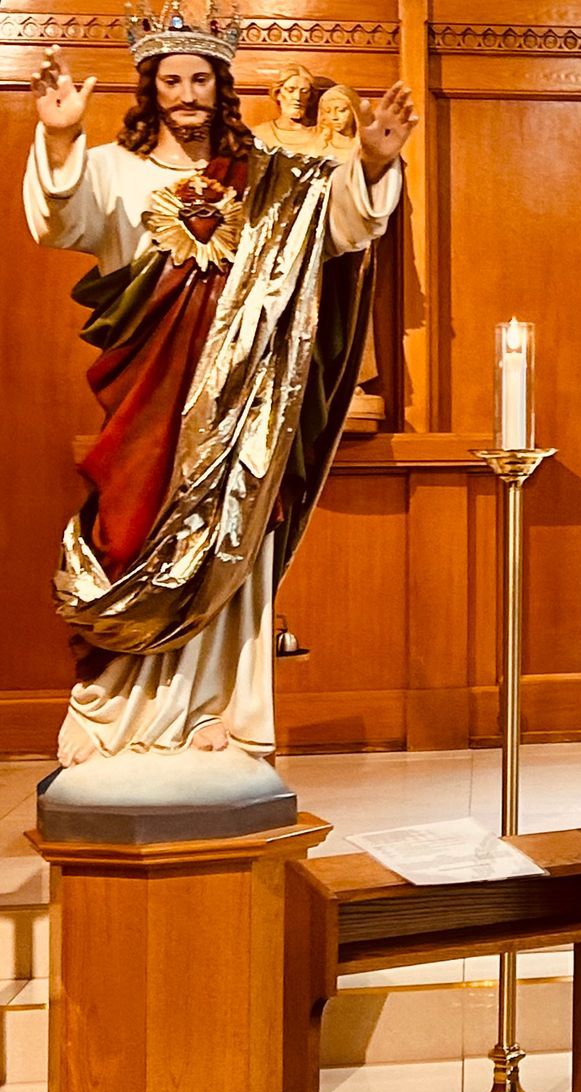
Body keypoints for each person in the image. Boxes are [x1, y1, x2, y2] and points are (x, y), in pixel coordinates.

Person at [24, 27, 415, 765]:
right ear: (150, 89)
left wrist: (370, 163)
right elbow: (61, 222)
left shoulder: (270, 175)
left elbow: (339, 228)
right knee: (128, 530)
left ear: (221, 87)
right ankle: (108, 703)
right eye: (171, 81)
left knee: (229, 535)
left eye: (200, 80)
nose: (187, 97)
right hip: (147, 390)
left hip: (245, 400)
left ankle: (216, 706)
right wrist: (61, 139)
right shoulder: (112, 168)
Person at [253, 64, 316, 154]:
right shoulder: (260, 133)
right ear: (278, 93)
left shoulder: (320, 134)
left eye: (304, 92)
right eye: (290, 90)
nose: (298, 97)